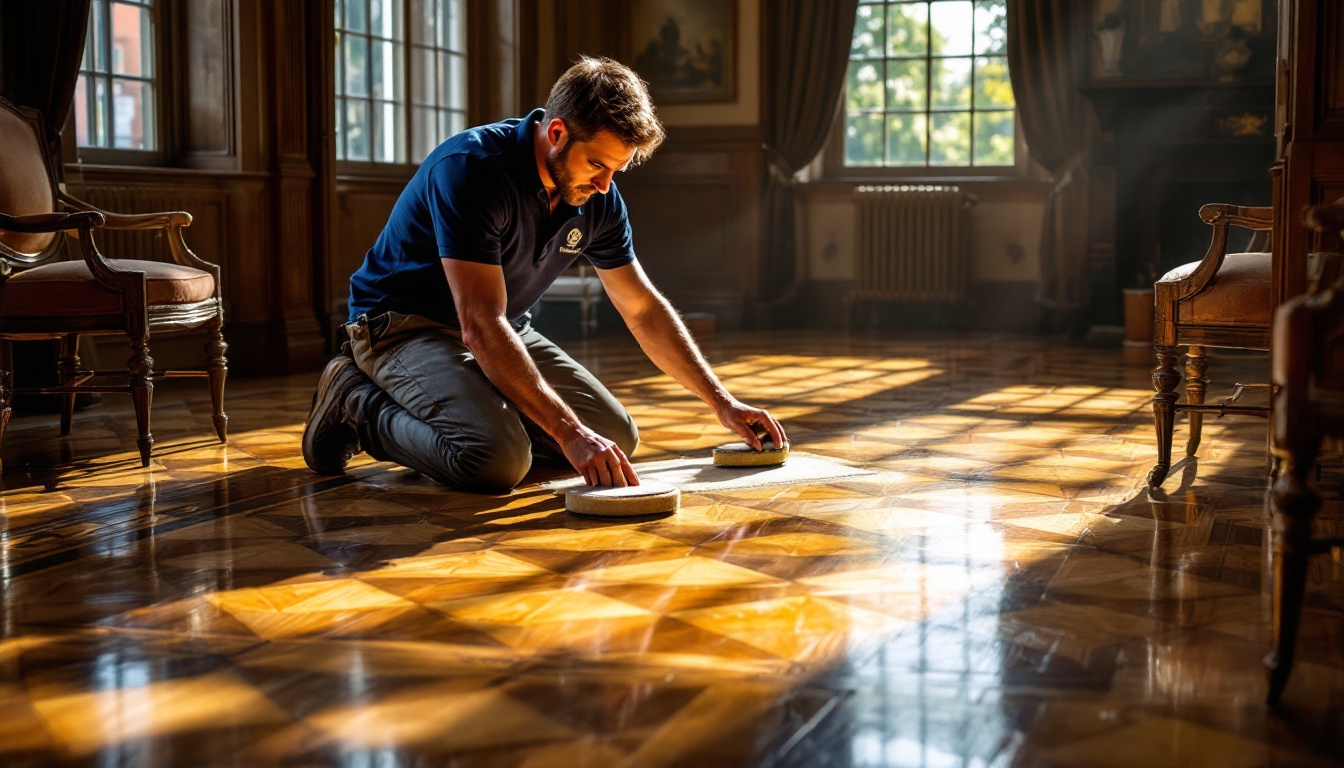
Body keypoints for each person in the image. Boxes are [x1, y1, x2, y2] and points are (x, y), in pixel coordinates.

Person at [302, 57, 786, 492]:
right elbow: (479, 324)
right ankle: (354, 402)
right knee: (495, 461)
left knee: (616, 438)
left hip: (503, 328)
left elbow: (641, 309)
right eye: (597, 164)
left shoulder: (597, 196)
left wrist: (722, 402)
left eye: (616, 171)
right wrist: (569, 433)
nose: (604, 186)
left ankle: (471, 414)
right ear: (556, 133)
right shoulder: (472, 169)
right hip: (404, 327)